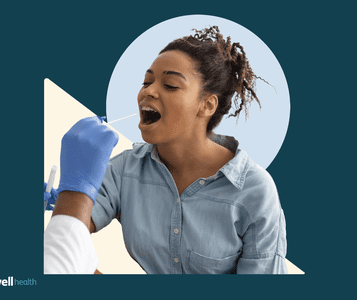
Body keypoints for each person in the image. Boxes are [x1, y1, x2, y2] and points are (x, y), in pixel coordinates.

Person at [44, 26, 287, 274]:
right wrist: (71, 194)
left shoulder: (255, 192)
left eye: (170, 85)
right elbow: (66, 241)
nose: (148, 91)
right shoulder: (124, 170)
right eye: (146, 82)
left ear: (207, 105)